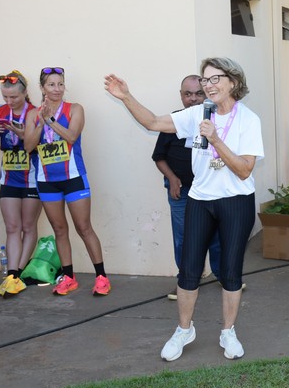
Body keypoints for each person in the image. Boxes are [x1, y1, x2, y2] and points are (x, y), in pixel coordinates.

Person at [104, 57, 264, 362]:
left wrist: (215, 139)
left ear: (233, 82)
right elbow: (152, 122)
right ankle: (184, 329)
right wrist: (126, 96)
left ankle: (228, 332)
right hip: (200, 199)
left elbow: (244, 170)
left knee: (230, 271)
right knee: (189, 269)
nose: (208, 85)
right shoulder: (195, 115)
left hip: (235, 200)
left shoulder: (249, 120)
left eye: (215, 79)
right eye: (205, 80)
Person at [23, 67, 110, 296]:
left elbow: (71, 136)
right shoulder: (33, 114)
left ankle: (101, 277)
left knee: (84, 227)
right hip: (47, 180)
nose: (57, 89)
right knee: (59, 229)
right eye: (51, 85)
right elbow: (28, 146)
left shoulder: (75, 109)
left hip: (73, 177)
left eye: (60, 84)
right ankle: (69, 277)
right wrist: (40, 123)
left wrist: (50, 119)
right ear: (42, 88)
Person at [152, 75, 221, 301]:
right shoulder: (174, 121)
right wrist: (172, 178)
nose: (193, 99)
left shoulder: (218, 119)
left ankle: (225, 277)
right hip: (180, 192)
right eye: (187, 94)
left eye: (198, 93)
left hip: (211, 191)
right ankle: (186, 281)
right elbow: (159, 157)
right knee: (183, 238)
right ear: (181, 96)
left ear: (206, 94)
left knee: (216, 237)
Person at [0, 70, 42, 297]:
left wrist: (22, 134)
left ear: (25, 93)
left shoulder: (34, 113)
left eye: (14, 97)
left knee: (28, 226)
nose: (9, 101)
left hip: (31, 176)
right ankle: (11, 275)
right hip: (8, 176)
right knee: (12, 227)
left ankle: (17, 273)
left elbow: (37, 145)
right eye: (5, 97)